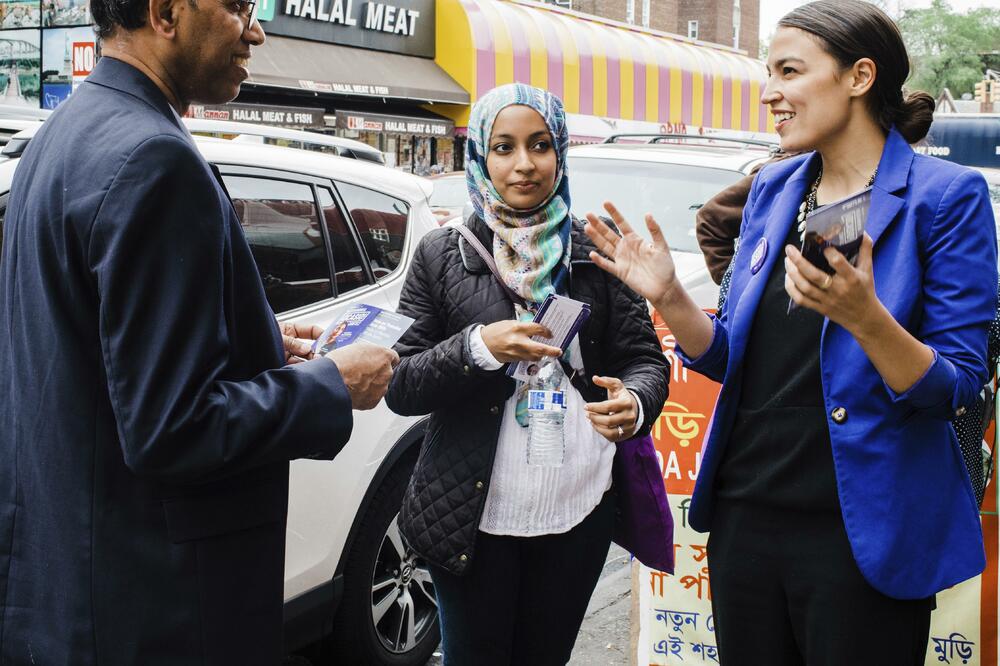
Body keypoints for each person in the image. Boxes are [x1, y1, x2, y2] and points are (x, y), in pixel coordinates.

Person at [584, 2, 998, 664]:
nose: (769, 92)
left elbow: (957, 386)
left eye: (788, 71)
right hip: (747, 520)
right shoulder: (775, 187)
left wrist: (867, 320)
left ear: (859, 76)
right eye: (767, 73)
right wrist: (669, 298)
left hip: (862, 535)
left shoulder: (945, 198)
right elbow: (731, 357)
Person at [0, 0, 398, 663]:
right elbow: (172, 429)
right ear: (164, 12)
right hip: (152, 611)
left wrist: (258, 347)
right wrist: (333, 383)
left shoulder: (63, 132)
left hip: (66, 592)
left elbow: (88, 358)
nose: (258, 30)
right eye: (238, 6)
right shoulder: (155, 160)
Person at [385, 83, 669, 665]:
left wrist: (635, 401)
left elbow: (645, 360)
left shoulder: (596, 254)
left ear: (560, 151)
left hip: (577, 512)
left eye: (540, 145)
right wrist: (477, 348)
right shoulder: (443, 253)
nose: (524, 164)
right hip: (469, 517)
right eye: (504, 147)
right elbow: (400, 384)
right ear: (480, 159)